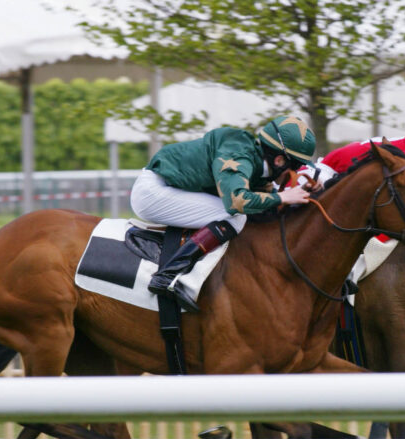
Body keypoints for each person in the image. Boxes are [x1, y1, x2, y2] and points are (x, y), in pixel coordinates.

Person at [130, 115, 317, 311]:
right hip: (153, 193)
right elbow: (237, 201)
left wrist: (305, 193)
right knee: (236, 217)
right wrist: (282, 198)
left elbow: (267, 202)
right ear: (279, 160)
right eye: (297, 165)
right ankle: (168, 275)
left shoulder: (257, 165)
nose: (299, 170)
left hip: (170, 188)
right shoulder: (239, 156)